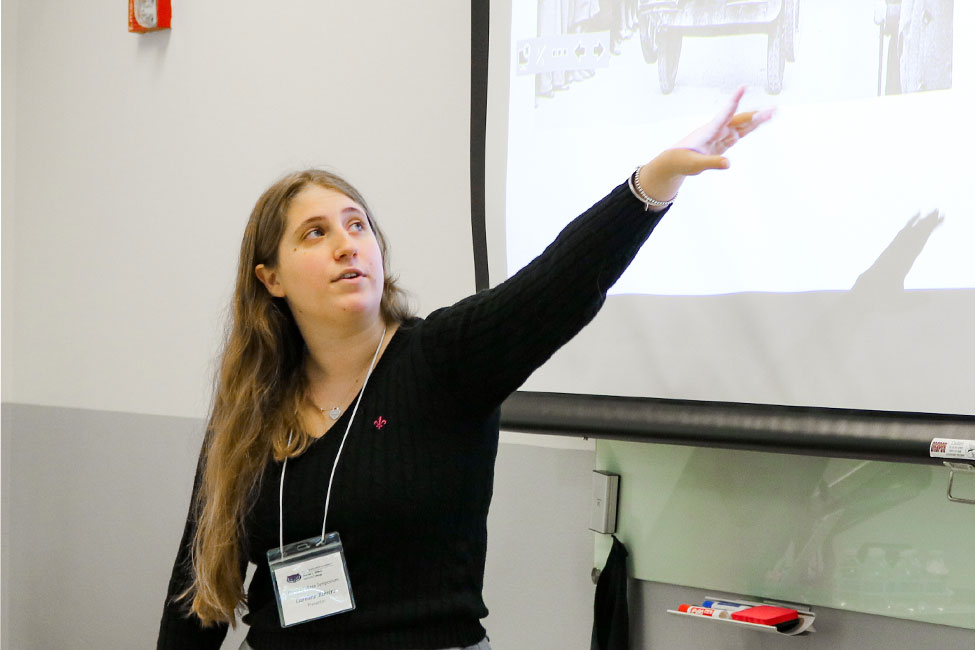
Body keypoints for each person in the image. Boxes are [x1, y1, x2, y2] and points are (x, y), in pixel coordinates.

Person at [156, 87, 772, 650]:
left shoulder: (442, 360)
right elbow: (196, 597)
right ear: (271, 278)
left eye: (357, 225)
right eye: (314, 234)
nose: (347, 244)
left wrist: (653, 182)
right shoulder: (247, 410)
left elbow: (556, 285)